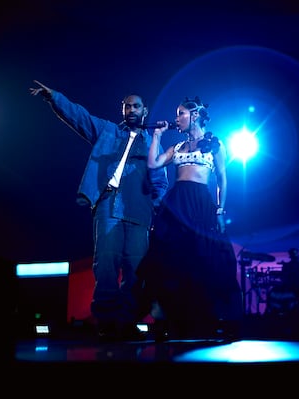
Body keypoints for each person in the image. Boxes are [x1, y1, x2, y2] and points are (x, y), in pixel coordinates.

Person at [29, 80, 168, 340]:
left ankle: (127, 323)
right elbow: (80, 116)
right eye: (127, 106)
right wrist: (54, 97)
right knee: (105, 264)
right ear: (122, 110)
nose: (131, 110)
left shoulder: (153, 143)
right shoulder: (108, 132)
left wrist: (157, 208)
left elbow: (159, 181)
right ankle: (106, 322)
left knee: (135, 269)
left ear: (144, 110)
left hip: (138, 210)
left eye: (136, 106)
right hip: (108, 204)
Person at [135, 96, 242, 339]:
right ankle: (164, 320)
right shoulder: (177, 147)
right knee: (168, 260)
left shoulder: (215, 144)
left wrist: (220, 210)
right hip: (176, 204)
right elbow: (153, 163)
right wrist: (159, 136)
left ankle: (213, 318)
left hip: (201, 205)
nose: (176, 118)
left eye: (180, 113)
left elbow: (223, 180)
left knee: (205, 259)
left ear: (194, 115)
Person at [268, 248, 299, 315]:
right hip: (291, 287)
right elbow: (284, 277)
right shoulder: (287, 266)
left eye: (295, 254)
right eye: (293, 254)